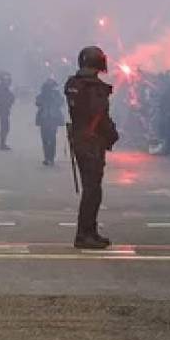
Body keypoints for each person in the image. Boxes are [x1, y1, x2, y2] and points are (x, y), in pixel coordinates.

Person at [65, 45, 119, 250]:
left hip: (79, 138)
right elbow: (100, 116)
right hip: (91, 141)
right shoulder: (94, 88)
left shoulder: (73, 84)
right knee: (93, 190)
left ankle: (89, 231)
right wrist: (112, 135)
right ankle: (85, 234)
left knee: (91, 189)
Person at [35, 78, 65, 166]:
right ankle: (47, 157)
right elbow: (37, 102)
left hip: (53, 119)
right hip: (44, 119)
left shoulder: (56, 94)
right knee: (45, 139)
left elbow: (60, 102)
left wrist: (53, 97)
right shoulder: (42, 94)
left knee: (51, 138)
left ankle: (51, 157)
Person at [0, 71, 15, 151]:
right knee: (5, 127)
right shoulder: (1, 87)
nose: (8, 81)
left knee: (5, 127)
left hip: (5, 108)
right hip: (3, 108)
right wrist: (6, 101)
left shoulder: (4, 87)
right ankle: (2, 144)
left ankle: (2, 143)